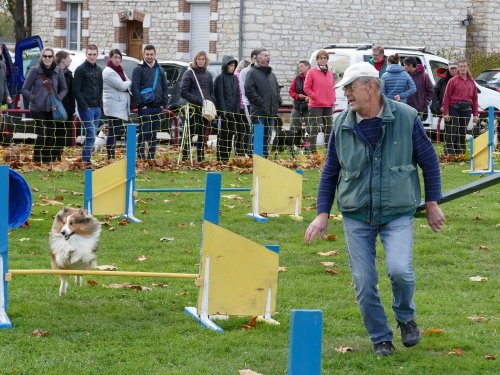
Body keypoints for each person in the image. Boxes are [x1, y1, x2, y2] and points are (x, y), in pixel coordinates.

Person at [304, 62, 444, 356]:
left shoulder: (405, 117)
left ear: (371, 87)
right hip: (357, 214)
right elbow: (331, 171)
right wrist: (322, 213)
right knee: (365, 282)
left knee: (400, 271)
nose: (346, 95)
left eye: (350, 88)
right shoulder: (341, 124)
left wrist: (432, 203)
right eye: (344, 89)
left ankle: (405, 317)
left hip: (397, 212)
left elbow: (429, 161)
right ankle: (381, 337)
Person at [21, 47, 68, 163]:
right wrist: (34, 99)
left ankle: (47, 160)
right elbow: (24, 90)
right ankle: (37, 159)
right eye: (45, 56)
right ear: (42, 57)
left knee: (51, 134)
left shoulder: (58, 71)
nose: (47, 58)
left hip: (53, 108)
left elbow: (64, 88)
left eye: (49, 56)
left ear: (53, 58)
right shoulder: (35, 70)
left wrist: (58, 98)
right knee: (42, 133)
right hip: (38, 108)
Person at [131, 44, 168, 160]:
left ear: (155, 54)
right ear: (143, 55)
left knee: (154, 133)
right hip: (145, 107)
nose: (149, 56)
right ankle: (141, 155)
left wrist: (163, 104)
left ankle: (151, 155)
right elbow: (134, 87)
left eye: (151, 54)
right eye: (147, 54)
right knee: (144, 132)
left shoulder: (160, 69)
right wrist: (141, 104)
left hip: (158, 106)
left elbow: (165, 87)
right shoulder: (138, 69)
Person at [244, 48, 282, 158]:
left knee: (268, 135)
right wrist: (260, 102)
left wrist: (278, 101)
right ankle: (255, 158)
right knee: (258, 136)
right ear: (259, 58)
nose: (268, 57)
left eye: (269, 55)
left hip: (270, 112)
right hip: (259, 112)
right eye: (265, 55)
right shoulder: (252, 73)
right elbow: (249, 90)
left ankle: (264, 158)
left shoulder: (272, 75)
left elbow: (276, 89)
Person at [180, 50, 216, 163]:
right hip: (192, 107)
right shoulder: (189, 73)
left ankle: (200, 156)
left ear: (206, 61)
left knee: (202, 133)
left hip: (205, 108)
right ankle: (185, 155)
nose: (201, 61)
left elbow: (211, 91)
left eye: (203, 59)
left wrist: (211, 101)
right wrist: (197, 100)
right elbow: (184, 91)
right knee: (189, 132)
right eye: (199, 59)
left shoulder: (208, 74)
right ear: (195, 60)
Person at [73, 44, 103, 168]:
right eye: (90, 54)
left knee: (93, 134)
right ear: (86, 54)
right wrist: (84, 106)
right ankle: (86, 160)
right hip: (86, 107)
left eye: (94, 54)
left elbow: (101, 88)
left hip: (96, 107)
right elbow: (76, 90)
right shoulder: (80, 69)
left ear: (97, 55)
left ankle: (86, 157)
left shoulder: (99, 70)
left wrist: (100, 104)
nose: (92, 56)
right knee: (90, 133)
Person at [442, 57, 479, 156]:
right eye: (461, 66)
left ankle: (461, 152)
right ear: (458, 68)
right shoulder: (453, 81)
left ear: (467, 68)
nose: (463, 68)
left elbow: (475, 99)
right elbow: (446, 97)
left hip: (466, 109)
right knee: (452, 130)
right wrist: (445, 113)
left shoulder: (472, 82)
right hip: (454, 107)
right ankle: (449, 152)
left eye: (464, 66)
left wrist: (475, 114)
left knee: (463, 131)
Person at [304, 50, 336, 154]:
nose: (323, 60)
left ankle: (329, 149)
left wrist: (333, 98)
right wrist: (315, 97)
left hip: (328, 105)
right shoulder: (311, 72)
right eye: (321, 58)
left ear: (327, 60)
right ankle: (313, 149)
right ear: (317, 60)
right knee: (314, 128)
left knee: (329, 128)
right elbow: (306, 88)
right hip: (316, 105)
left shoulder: (330, 72)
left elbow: (332, 87)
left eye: (325, 58)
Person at [102, 49, 132, 161]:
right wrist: (128, 83)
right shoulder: (108, 72)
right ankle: (110, 156)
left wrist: (127, 83)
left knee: (116, 131)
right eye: (115, 57)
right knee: (113, 132)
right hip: (114, 106)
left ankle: (112, 155)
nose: (117, 59)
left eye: (119, 57)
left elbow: (126, 82)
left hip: (119, 106)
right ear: (110, 58)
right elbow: (123, 86)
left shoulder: (119, 70)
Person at [214, 55, 240, 163]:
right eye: (230, 65)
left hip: (232, 113)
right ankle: (220, 157)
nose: (232, 67)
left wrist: (237, 111)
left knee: (230, 135)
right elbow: (219, 96)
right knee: (223, 136)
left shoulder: (235, 78)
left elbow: (237, 95)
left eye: (234, 65)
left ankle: (227, 157)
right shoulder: (220, 78)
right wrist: (223, 111)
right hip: (223, 113)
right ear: (225, 66)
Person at [54, 50, 75, 160]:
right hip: (55, 107)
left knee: (63, 133)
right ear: (63, 59)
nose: (70, 60)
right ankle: (52, 155)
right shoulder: (54, 72)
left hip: (67, 109)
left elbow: (71, 92)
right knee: (54, 132)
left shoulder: (69, 74)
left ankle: (58, 155)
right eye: (68, 58)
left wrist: (72, 108)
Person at [289, 60, 311, 134]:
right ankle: (292, 143)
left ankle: (310, 144)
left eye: (301, 66)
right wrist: (298, 96)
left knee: (310, 128)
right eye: (299, 67)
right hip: (297, 106)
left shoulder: (313, 78)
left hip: (309, 107)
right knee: (293, 126)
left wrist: (309, 98)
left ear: (307, 67)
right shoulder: (297, 78)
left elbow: (317, 91)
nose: (299, 68)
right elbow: (291, 91)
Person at [234, 59, 251, 156]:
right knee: (245, 129)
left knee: (239, 130)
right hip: (243, 106)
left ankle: (238, 149)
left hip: (239, 107)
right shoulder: (239, 76)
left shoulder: (235, 75)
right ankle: (242, 150)